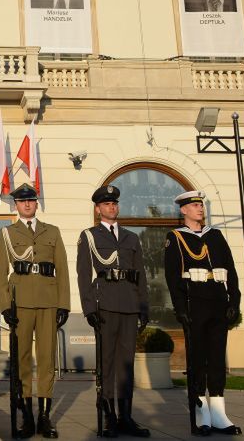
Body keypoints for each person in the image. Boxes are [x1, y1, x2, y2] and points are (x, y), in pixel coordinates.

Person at [0, 183, 69, 439]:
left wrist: (64, 304)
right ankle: (26, 415)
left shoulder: (53, 232)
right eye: (22, 201)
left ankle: (44, 416)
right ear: (16, 205)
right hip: (20, 302)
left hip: (48, 301)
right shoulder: (6, 233)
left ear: (36, 204)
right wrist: (5, 305)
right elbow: (0, 272)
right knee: (22, 359)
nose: (27, 204)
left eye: (31, 200)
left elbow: (63, 270)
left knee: (47, 360)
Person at [164, 191, 241, 436]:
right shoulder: (175, 238)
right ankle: (201, 414)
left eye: (201, 205)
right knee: (197, 360)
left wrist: (234, 301)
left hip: (218, 301)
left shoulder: (216, 236)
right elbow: (172, 277)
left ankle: (218, 413)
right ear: (183, 210)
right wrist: (180, 309)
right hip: (194, 303)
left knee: (217, 359)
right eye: (195, 205)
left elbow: (231, 269)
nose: (200, 208)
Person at [77, 185, 150, 438]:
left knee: (126, 364)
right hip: (105, 305)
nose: (112, 207)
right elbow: (83, 275)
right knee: (107, 363)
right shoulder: (89, 236)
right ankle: (109, 416)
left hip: (129, 305)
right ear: (98, 209)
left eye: (114, 203)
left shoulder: (132, 237)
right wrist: (89, 309)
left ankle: (126, 417)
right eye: (106, 204)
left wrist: (144, 307)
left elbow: (141, 274)